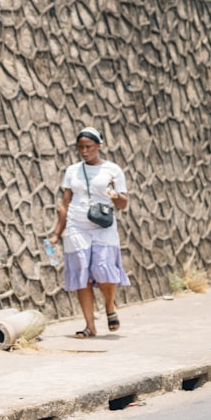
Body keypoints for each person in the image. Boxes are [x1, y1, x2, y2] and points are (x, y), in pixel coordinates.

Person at [49, 126, 129, 338]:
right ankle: (89, 326)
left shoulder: (113, 170)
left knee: (103, 269)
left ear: (99, 146)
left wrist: (112, 193)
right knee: (82, 274)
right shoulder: (72, 170)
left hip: (103, 227)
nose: (84, 151)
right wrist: (57, 232)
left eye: (89, 147)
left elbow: (123, 204)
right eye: (80, 147)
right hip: (76, 226)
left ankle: (110, 306)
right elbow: (65, 204)